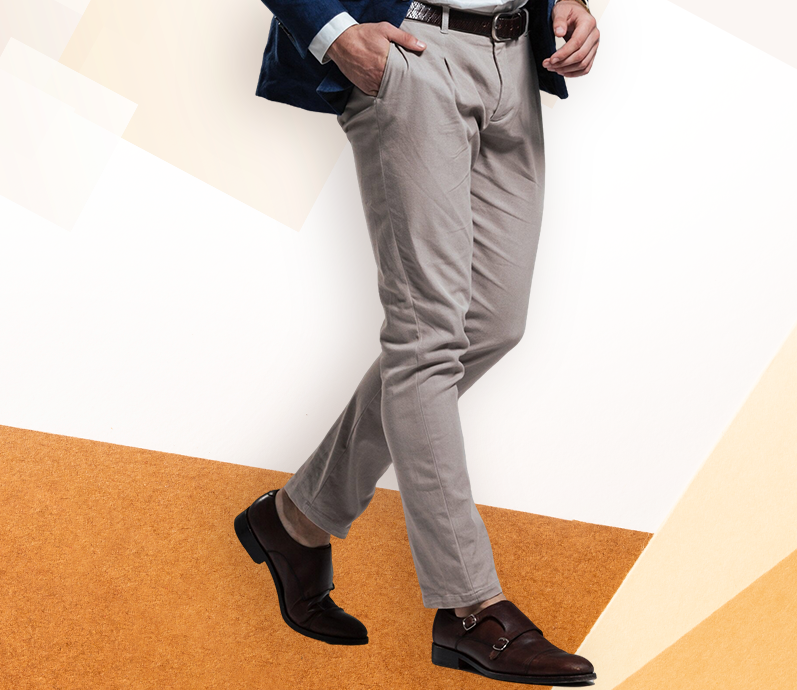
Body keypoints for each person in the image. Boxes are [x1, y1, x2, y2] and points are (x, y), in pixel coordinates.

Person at [235, 0, 601, 683]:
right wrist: (335, 36)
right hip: (411, 49)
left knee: (490, 322)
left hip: (514, 51)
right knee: (427, 337)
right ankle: (470, 609)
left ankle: (298, 520)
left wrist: (570, 1)